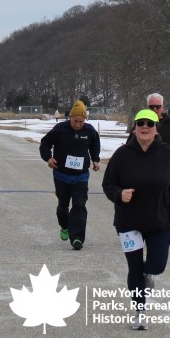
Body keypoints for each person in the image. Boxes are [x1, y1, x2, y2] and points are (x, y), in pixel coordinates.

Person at [102, 108, 170, 330]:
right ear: (134, 128)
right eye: (140, 123)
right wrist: (119, 194)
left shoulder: (168, 153)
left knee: (156, 266)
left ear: (156, 129)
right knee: (134, 266)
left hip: (159, 220)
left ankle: (148, 272)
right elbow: (108, 184)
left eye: (149, 124)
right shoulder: (122, 154)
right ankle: (140, 311)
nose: (145, 127)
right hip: (128, 221)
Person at [39, 100, 101, 251]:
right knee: (63, 206)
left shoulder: (90, 131)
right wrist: (48, 158)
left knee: (79, 205)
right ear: (70, 118)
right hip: (61, 175)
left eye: (81, 121)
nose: (78, 124)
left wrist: (96, 160)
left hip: (81, 176)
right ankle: (64, 226)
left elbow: (95, 145)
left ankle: (77, 238)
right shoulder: (60, 129)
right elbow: (45, 143)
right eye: (75, 121)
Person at [142, 93, 170, 159]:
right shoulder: (140, 124)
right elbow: (130, 146)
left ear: (162, 107)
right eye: (151, 106)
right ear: (147, 107)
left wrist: (169, 159)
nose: (155, 109)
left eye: (158, 106)